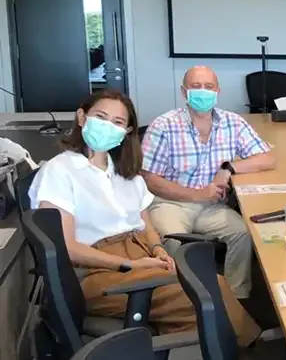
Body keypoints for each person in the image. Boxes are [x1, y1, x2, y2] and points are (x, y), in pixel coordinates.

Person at [29, 89, 260, 345]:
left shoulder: (126, 172)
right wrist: (129, 265)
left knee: (212, 286)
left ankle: (229, 344)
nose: (108, 126)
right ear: (82, 117)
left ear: (127, 131)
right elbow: (68, 248)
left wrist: (158, 250)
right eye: (101, 117)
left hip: (140, 254)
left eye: (117, 122)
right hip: (96, 271)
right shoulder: (60, 170)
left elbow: (145, 225)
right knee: (204, 295)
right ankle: (246, 345)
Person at [141, 66, 276, 300]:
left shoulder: (232, 122)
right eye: (196, 86)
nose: (203, 91)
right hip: (170, 203)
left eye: (209, 86)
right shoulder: (164, 125)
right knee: (173, 241)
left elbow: (268, 158)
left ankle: (235, 299)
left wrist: (228, 168)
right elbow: (150, 179)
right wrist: (197, 195)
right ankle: (183, 302)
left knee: (244, 234)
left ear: (218, 91)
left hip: (212, 207)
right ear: (184, 92)